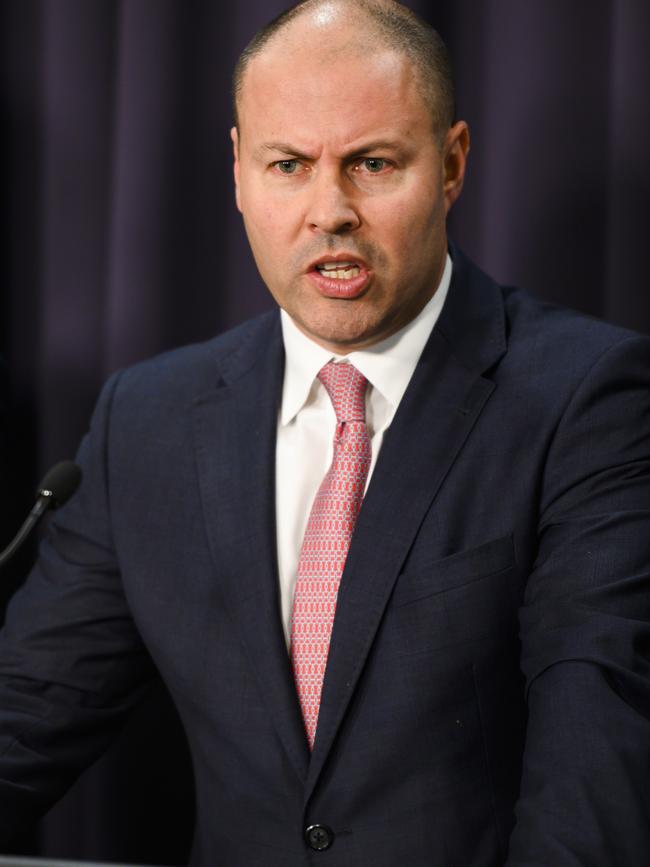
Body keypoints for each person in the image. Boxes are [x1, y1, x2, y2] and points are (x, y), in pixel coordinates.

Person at [1, 1, 649, 864]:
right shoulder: (147, 422)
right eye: (289, 164)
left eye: (373, 163)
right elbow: (26, 713)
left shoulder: (586, 400)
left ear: (452, 164)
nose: (328, 209)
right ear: (238, 172)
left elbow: (594, 774)